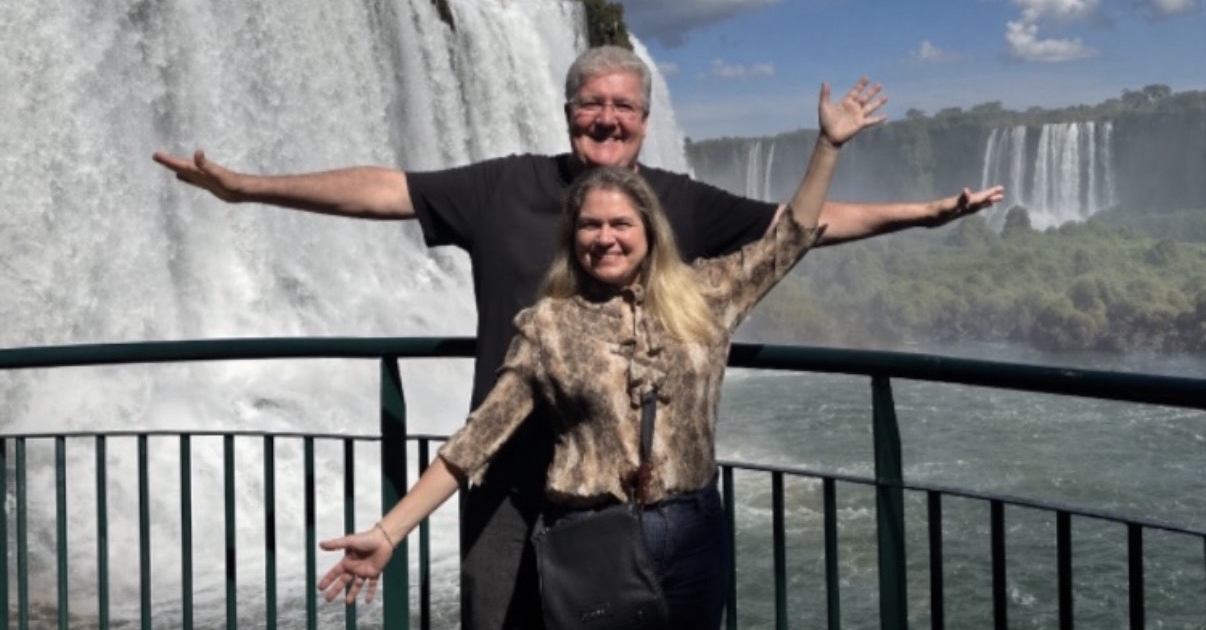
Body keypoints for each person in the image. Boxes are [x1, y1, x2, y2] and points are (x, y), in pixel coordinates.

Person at [153, 46, 1003, 630]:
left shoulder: (688, 227)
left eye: (623, 106)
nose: (606, 117)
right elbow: (384, 190)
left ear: (643, 132)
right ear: (569, 116)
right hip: (513, 482)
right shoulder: (513, 219)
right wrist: (248, 189)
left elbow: (794, 230)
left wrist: (923, 212)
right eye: (591, 103)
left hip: (655, 507)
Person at [315, 78, 885, 627]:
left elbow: (789, 238)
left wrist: (827, 147)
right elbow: (474, 442)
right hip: (594, 540)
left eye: (620, 223)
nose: (605, 237)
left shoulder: (705, 293)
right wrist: (389, 532)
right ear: (572, 238)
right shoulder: (550, 327)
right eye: (589, 225)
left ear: (648, 230)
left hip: (694, 529)